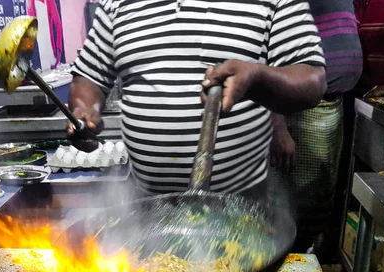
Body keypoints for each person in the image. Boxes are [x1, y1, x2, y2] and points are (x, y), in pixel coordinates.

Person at [68, 0, 326, 196]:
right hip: (143, 204)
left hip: (241, 203)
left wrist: (257, 77)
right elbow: (89, 76)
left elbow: (312, 81)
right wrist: (84, 110)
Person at [269, 0, 363, 254]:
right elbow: (270, 51)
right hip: (300, 114)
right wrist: (278, 127)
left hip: (333, 105)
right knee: (293, 209)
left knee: (317, 201)